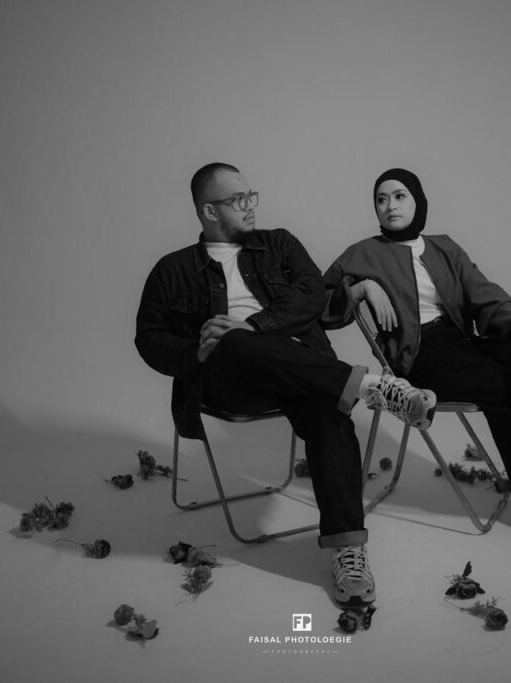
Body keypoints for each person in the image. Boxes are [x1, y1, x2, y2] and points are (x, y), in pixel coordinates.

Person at [135, 162, 438, 605]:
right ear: (210, 211)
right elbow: (149, 339)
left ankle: (348, 549)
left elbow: (312, 294)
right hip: (227, 380)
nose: (250, 206)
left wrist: (255, 326)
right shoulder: (172, 269)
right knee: (230, 342)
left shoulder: (279, 244)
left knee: (329, 413)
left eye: (250, 195)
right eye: (238, 200)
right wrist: (197, 352)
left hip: (299, 369)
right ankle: (373, 387)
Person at [323, 168, 511, 535]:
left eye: (400, 196)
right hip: (418, 357)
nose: (390, 206)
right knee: (504, 384)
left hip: (460, 343)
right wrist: (362, 288)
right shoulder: (362, 253)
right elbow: (319, 304)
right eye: (381, 199)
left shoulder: (444, 247)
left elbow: (481, 291)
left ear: (418, 201)